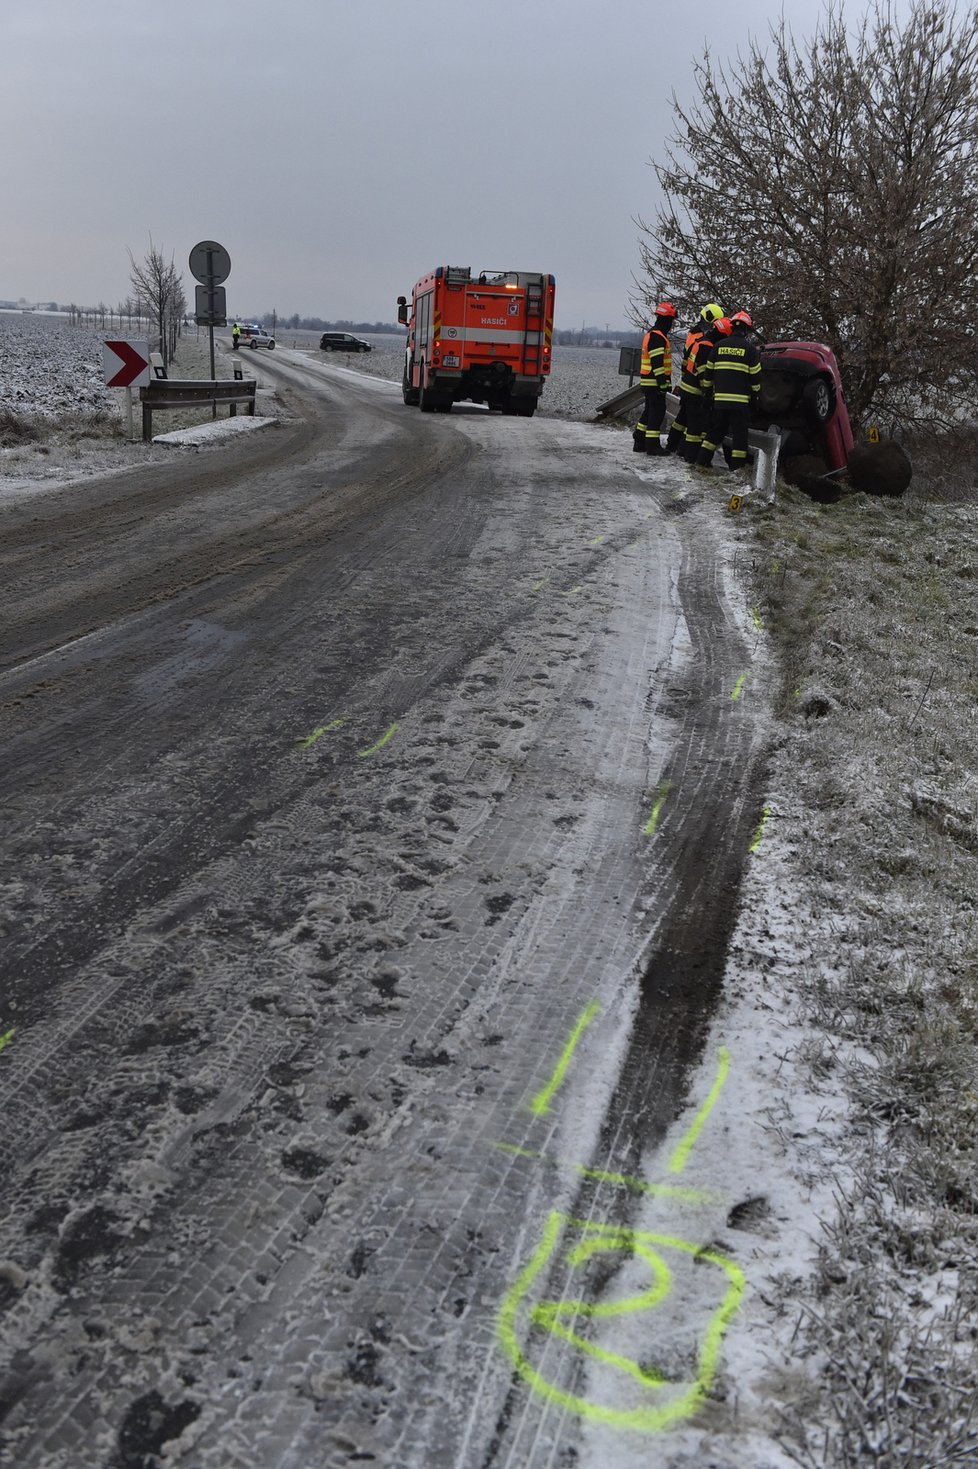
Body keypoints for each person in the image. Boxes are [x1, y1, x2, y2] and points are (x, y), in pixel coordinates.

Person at [696, 311, 761, 473]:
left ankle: (701, 461)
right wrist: (755, 397)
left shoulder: (718, 347)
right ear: (746, 330)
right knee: (740, 437)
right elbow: (755, 378)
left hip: (720, 402)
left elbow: (708, 375)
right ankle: (736, 470)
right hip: (740, 404)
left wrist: (707, 395)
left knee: (715, 432)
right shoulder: (751, 350)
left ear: (732, 327)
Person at [665, 303, 724, 456]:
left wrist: (681, 382)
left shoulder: (694, 334)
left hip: (687, 382)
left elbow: (687, 361)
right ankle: (688, 454)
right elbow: (702, 366)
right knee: (694, 424)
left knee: (681, 419)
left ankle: (673, 446)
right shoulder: (704, 339)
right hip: (695, 386)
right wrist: (707, 390)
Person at [633, 301, 676, 454]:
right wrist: (663, 383)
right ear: (667, 320)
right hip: (655, 382)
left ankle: (639, 440)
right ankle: (652, 446)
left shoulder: (652, 334)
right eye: (672, 320)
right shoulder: (658, 337)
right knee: (657, 413)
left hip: (648, 381)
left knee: (649, 412)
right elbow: (657, 363)